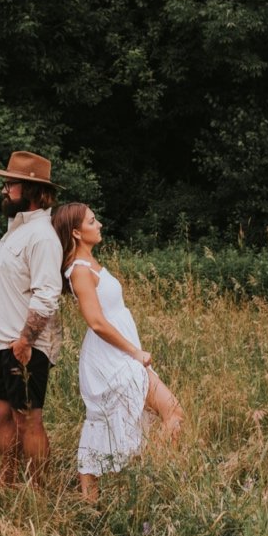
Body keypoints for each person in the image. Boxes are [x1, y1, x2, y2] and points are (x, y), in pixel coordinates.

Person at [52, 202, 183, 502]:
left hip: (120, 353)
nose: (99, 225)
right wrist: (135, 353)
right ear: (76, 232)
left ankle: (105, 496)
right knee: (172, 412)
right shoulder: (79, 272)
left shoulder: (91, 265)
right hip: (111, 358)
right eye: (92, 221)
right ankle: (146, 481)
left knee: (111, 426)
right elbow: (97, 322)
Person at [0, 150, 64, 487]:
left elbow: (48, 294)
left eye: (10, 184)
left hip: (25, 345)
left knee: (28, 419)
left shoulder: (42, 236)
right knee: (3, 413)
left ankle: (39, 491)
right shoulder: (14, 230)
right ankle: (8, 481)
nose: (5, 190)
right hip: (2, 342)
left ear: (30, 190)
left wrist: (26, 340)